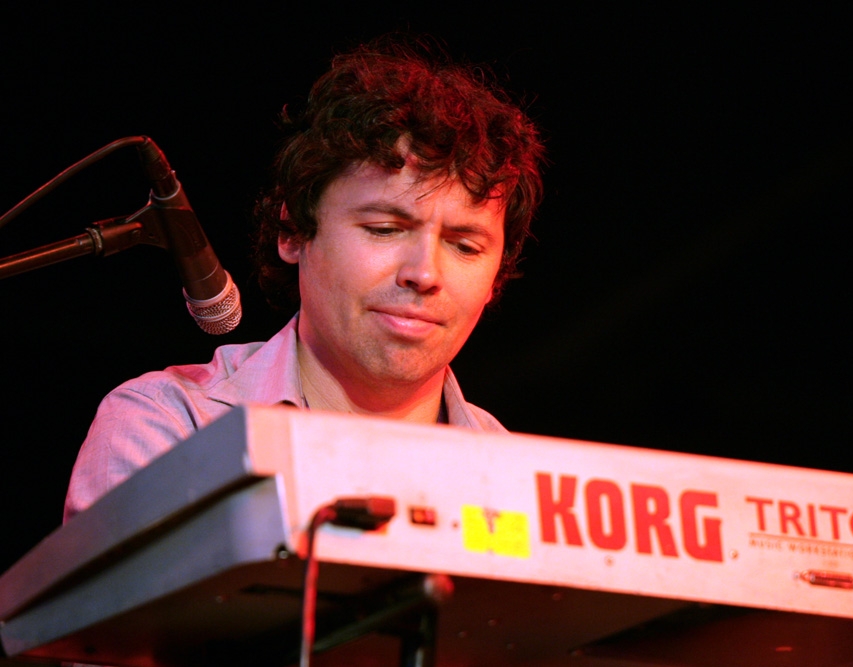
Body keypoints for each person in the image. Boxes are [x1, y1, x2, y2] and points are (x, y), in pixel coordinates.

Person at [63, 38, 545, 522]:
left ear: (496, 276)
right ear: (293, 232)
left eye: (465, 246)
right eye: (384, 229)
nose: (423, 274)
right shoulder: (170, 427)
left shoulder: (528, 486)